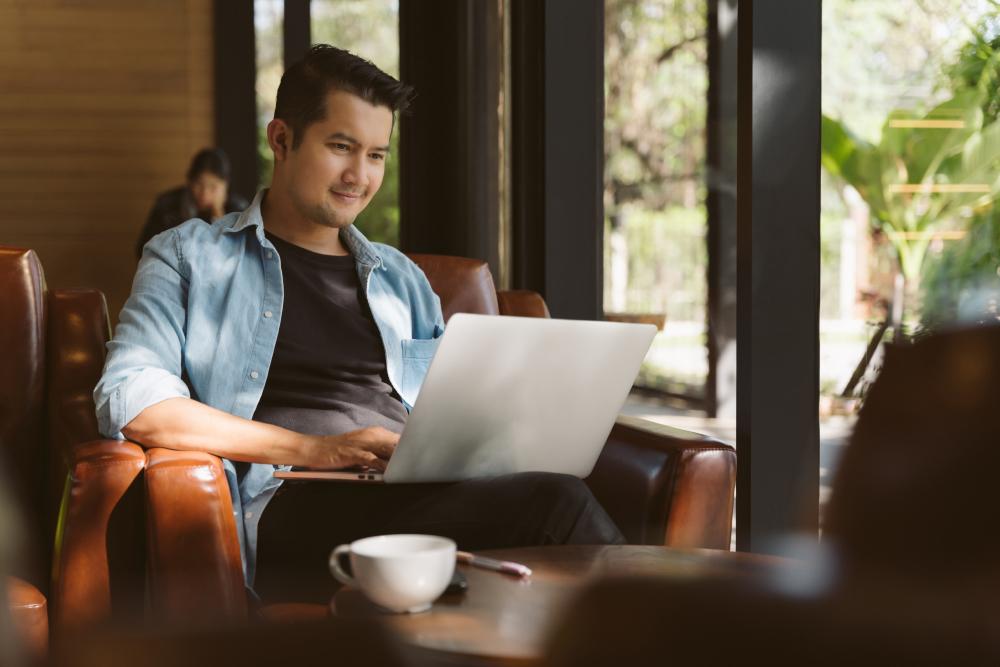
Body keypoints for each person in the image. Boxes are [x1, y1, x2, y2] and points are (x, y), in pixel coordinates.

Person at [95, 45, 623, 604]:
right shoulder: (189, 256)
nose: (360, 176)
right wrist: (316, 449)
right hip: (294, 502)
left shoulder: (402, 279)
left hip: (423, 497)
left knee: (548, 527)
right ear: (281, 139)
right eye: (341, 147)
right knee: (557, 506)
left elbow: (454, 411)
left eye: (376, 155)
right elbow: (131, 398)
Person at [135, 148, 249, 258]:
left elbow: (242, 256)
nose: (205, 193)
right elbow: (144, 249)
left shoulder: (239, 209)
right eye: (199, 184)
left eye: (213, 186)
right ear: (189, 181)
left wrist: (220, 217)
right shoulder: (167, 206)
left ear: (226, 185)